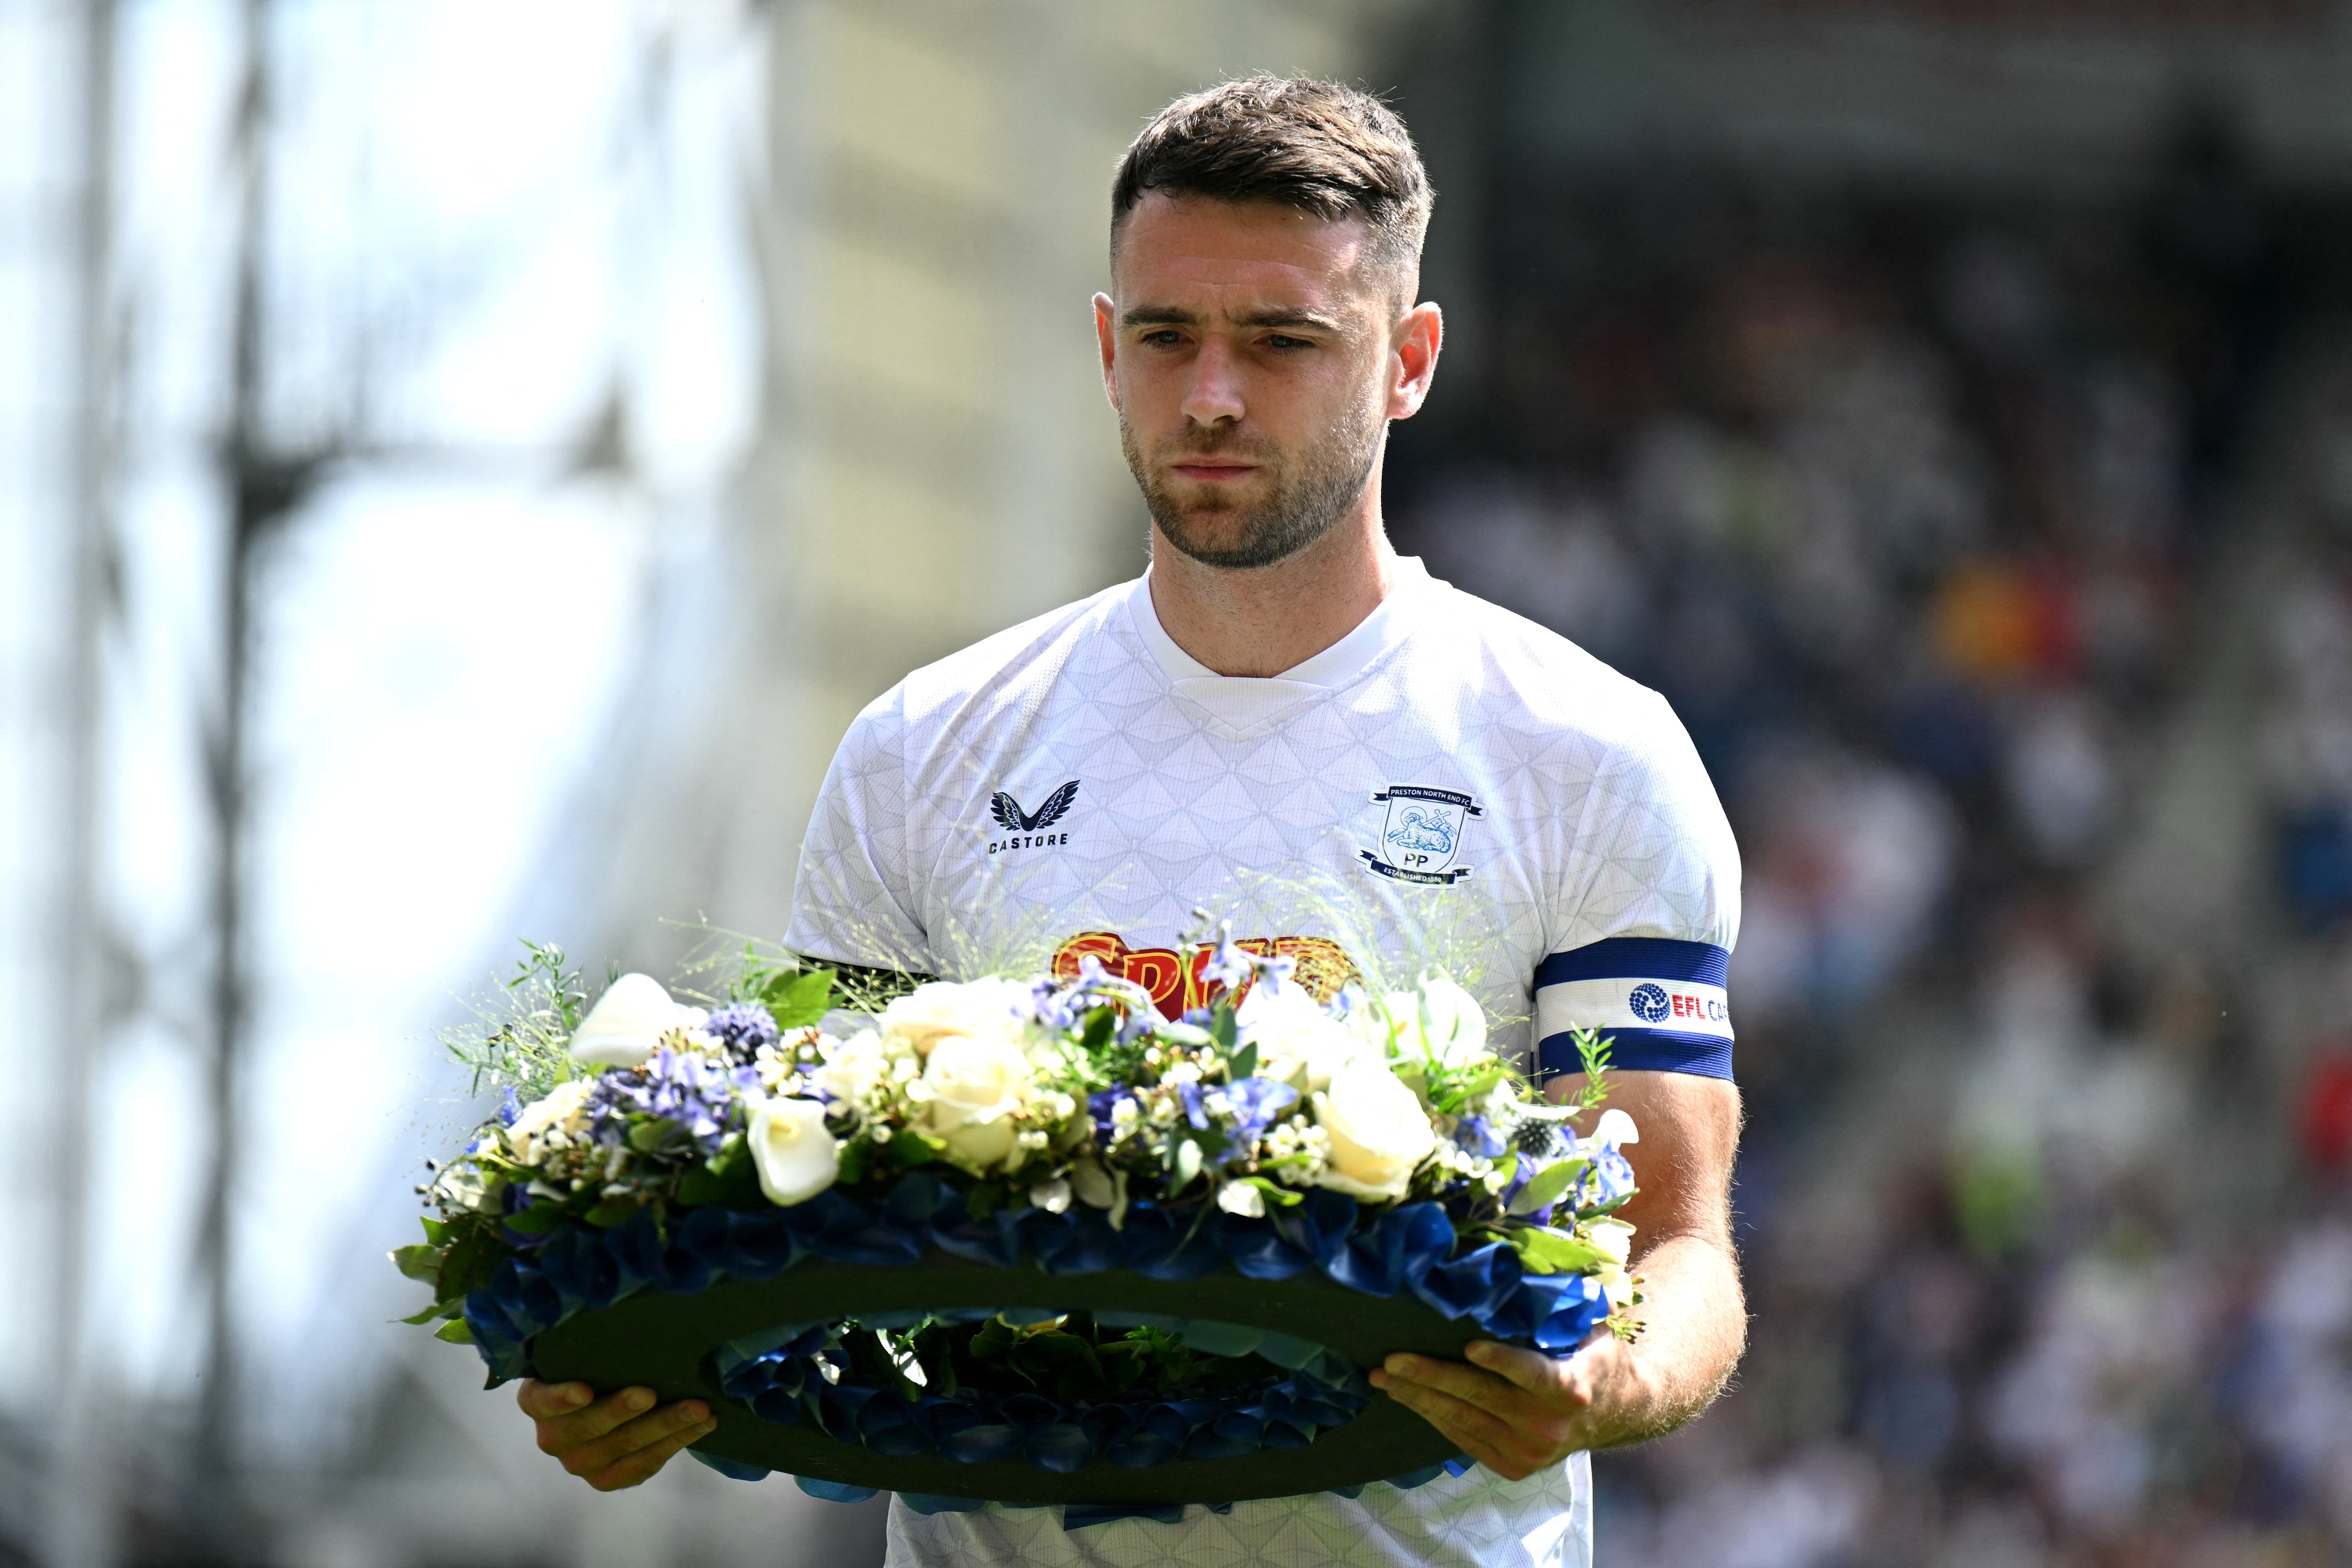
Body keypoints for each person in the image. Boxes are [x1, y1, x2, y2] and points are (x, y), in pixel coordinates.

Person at [514, 76, 1745, 1568]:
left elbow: (1675, 1243)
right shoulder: (924, 750)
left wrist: (1611, 1382)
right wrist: (655, 1363)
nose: (1212, 394)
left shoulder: (1584, 753)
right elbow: (816, 1223)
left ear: (1409, 361)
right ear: (1108, 348)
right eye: (1167, 337)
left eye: (1286, 340)